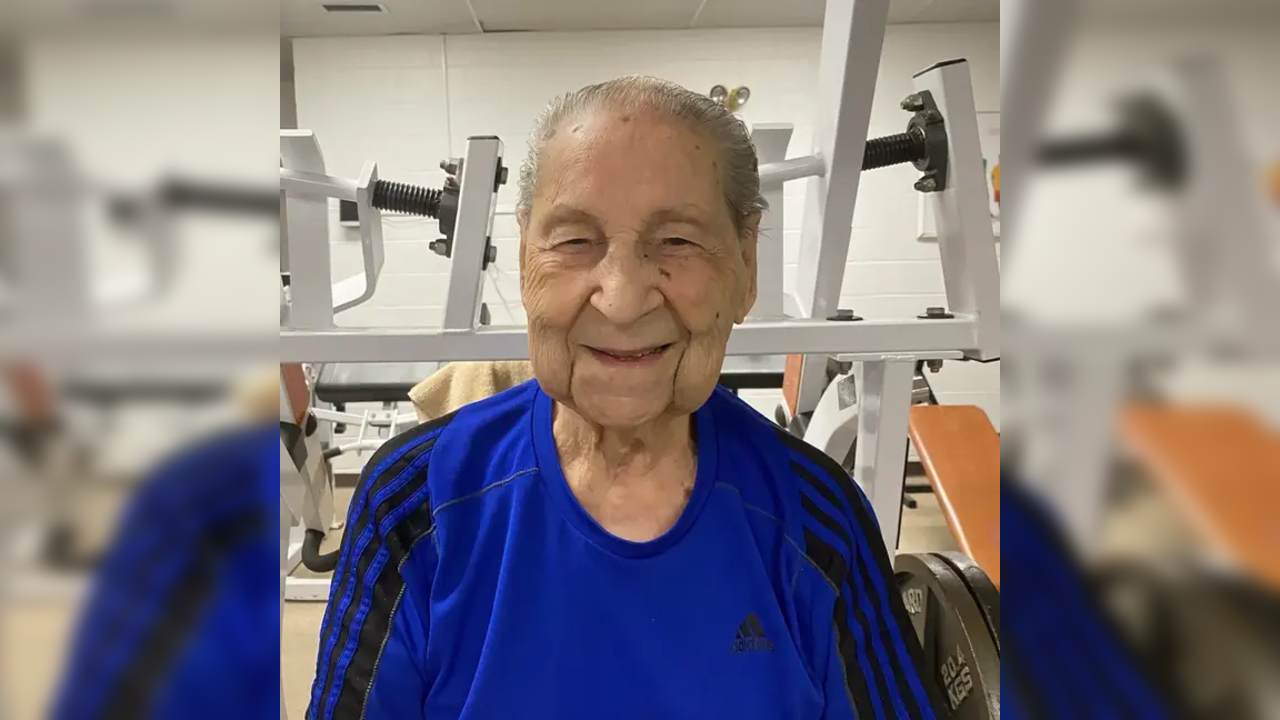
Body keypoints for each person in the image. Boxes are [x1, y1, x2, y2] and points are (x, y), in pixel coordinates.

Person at [308, 76, 945, 720]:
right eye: (575, 241)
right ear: (528, 255)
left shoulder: (818, 519)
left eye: (677, 241)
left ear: (746, 265)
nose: (621, 297)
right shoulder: (416, 503)